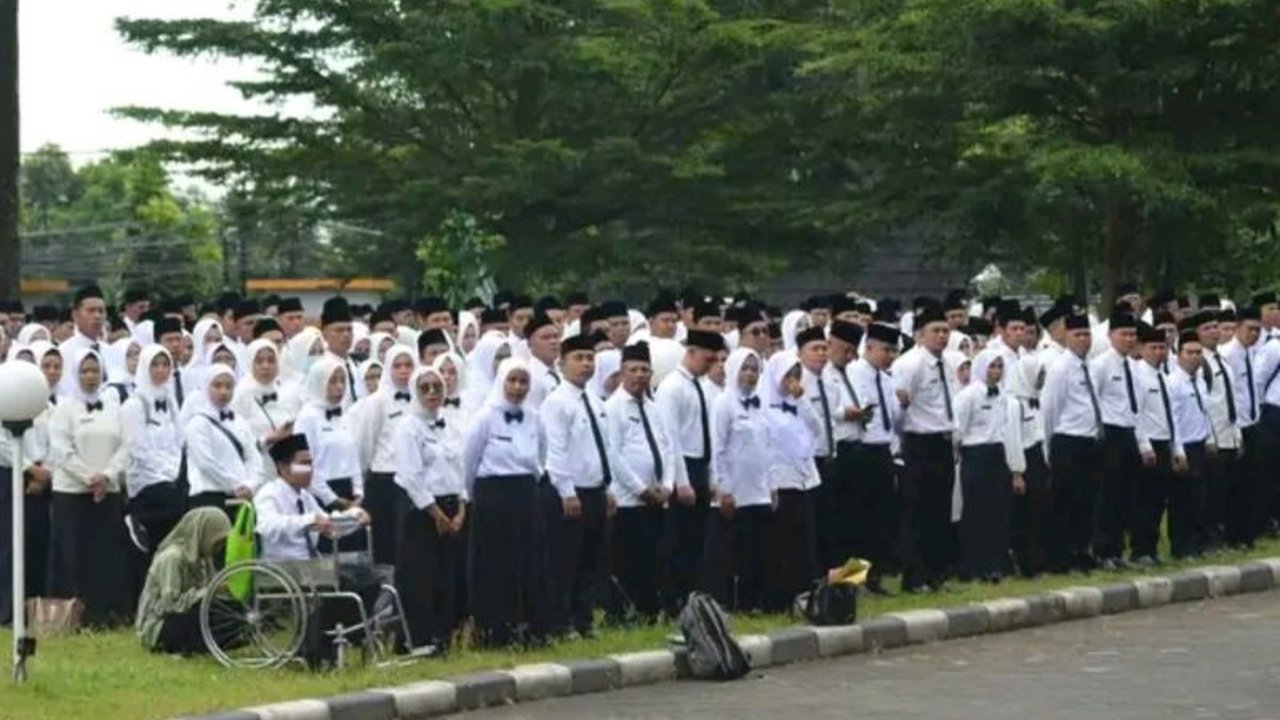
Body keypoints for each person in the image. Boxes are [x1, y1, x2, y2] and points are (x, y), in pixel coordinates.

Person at [463, 358, 548, 648]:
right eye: (512, 380)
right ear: (501, 381)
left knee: (529, 561)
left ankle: (529, 627)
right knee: (496, 565)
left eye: (523, 382)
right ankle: (494, 630)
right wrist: (476, 498)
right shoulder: (485, 417)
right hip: (492, 496)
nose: (517, 387)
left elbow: (542, 454)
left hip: (525, 492)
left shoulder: (535, 417)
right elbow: (468, 462)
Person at [47, 349, 134, 627]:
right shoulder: (63, 409)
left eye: (95, 370)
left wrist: (106, 476)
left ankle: (104, 612)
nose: (90, 376)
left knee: (105, 553)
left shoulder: (113, 406)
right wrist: (88, 478)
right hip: (72, 493)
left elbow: (125, 446)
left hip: (107, 493)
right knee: (74, 554)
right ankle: (73, 615)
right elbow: (61, 449)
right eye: (84, 370)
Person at [541, 332, 614, 638]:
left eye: (589, 358)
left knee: (589, 560)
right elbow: (555, 449)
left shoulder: (596, 401)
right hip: (569, 492)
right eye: (578, 358)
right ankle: (561, 621)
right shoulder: (557, 402)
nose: (585, 364)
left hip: (595, 489)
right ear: (561, 363)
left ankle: (583, 619)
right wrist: (566, 491)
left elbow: (604, 447)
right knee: (564, 561)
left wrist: (608, 488)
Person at [394, 366, 467, 652]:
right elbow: (411, 476)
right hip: (421, 510)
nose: (432, 393)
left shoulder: (450, 425)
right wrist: (435, 513)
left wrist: (461, 508)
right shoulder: (408, 427)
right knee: (420, 576)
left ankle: (443, 634)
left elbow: (459, 468)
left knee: (447, 575)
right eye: (424, 388)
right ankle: (418, 638)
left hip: (451, 506)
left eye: (437, 387)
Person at [653, 330, 721, 613]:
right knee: (680, 538)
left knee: (697, 539)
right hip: (684, 467)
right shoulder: (673, 387)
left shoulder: (700, 386)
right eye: (707, 358)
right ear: (691, 352)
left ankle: (693, 597)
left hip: (701, 464)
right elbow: (671, 438)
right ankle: (674, 600)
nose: (710, 364)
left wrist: (712, 477)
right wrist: (682, 481)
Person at [892, 305, 957, 592]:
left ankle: (936, 573)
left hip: (943, 440)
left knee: (940, 512)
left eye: (945, 331)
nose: (942, 336)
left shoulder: (947, 363)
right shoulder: (911, 363)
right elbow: (898, 409)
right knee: (918, 513)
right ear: (920, 335)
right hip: (920, 442)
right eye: (936, 331)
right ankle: (915, 576)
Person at [702, 347, 771, 611]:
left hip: (759, 489)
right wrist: (723, 489)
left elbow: (767, 447)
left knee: (756, 548)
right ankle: (729, 602)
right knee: (731, 549)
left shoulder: (759, 403)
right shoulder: (723, 403)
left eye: (754, 369)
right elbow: (718, 449)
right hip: (734, 490)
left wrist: (771, 485)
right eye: (745, 368)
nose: (750, 374)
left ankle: (752, 601)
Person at [1040, 313, 1105, 572]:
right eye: (1078, 335)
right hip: (1067, 442)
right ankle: (1062, 557)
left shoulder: (1088, 365)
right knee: (1066, 503)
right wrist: (1048, 447)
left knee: (1087, 502)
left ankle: (1082, 550)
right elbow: (1050, 410)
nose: (1083, 340)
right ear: (1066, 336)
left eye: (1087, 334)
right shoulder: (1060, 368)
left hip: (1090, 441)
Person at [953, 350, 1023, 582]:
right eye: (992, 366)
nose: (996, 371)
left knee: (998, 512)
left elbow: (1008, 431)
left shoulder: (1005, 397)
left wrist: (1015, 468)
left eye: (1000, 366)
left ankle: (994, 564)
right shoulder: (968, 395)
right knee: (975, 511)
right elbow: (958, 430)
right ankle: (972, 566)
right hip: (975, 454)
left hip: (997, 454)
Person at [759, 350, 822, 611]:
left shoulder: (796, 405)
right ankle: (779, 598)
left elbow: (817, 429)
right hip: (778, 481)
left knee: (801, 541)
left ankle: (803, 593)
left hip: (801, 479)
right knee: (781, 542)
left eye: (797, 375)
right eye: (788, 376)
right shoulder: (762, 407)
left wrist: (802, 399)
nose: (792, 381)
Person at [254, 434, 370, 562]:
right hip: (283, 567)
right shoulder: (268, 494)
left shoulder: (305, 497)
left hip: (312, 565)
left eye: (310, 464)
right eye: (303, 464)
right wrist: (308, 520)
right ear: (283, 467)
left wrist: (355, 518)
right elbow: (267, 526)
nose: (309, 470)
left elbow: (329, 524)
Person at [135, 508, 232, 654]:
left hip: (181, 614)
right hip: (158, 626)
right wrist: (209, 591)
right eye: (217, 542)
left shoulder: (201, 558)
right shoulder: (172, 558)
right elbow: (170, 604)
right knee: (215, 623)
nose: (219, 548)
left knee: (233, 614)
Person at [121, 345, 185, 561]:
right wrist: (167, 472)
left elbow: (179, 441)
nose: (161, 370)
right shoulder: (134, 404)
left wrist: (176, 470)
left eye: (166, 364)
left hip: (171, 474)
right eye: (155, 365)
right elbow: (137, 449)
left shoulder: (170, 401)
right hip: (146, 478)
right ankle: (137, 520)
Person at [1088, 311, 1141, 569]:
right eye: (1124, 334)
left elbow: (1137, 406)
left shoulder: (1133, 366)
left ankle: (1118, 550)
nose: (1129, 339)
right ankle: (1102, 551)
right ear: (1110, 336)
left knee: (1125, 495)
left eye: (1132, 335)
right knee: (1107, 495)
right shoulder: (1100, 365)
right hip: (1110, 434)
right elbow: (1094, 402)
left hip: (1129, 432)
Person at [354, 344, 416, 564]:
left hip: (413, 479)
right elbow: (364, 443)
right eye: (398, 365)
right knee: (387, 545)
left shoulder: (420, 398)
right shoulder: (377, 401)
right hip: (385, 479)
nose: (404, 370)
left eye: (409, 365)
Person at [185, 363, 260, 516]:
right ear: (206, 387)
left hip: (241, 497)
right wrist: (235, 485)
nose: (223, 391)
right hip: (209, 496)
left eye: (229, 386)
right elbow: (206, 463)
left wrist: (250, 484)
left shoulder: (240, 421)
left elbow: (253, 456)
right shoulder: (197, 423)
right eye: (217, 386)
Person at [294, 357, 364, 513]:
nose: (339, 387)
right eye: (332, 381)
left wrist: (358, 492)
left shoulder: (345, 416)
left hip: (349, 492)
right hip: (319, 494)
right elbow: (303, 464)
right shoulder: (307, 417)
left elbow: (353, 457)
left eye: (342, 381)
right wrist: (331, 498)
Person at [1168, 331, 1215, 558]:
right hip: (1184, 446)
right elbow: (1173, 419)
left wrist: (1209, 437)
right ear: (1179, 355)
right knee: (1182, 500)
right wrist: (1177, 450)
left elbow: (1204, 411)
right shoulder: (1173, 382)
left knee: (1199, 499)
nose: (1195, 357)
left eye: (1198, 352)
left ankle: (1197, 543)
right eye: (1190, 352)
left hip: (1199, 443)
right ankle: (1180, 546)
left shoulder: (1200, 380)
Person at [1220, 306, 1263, 546]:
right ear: (1237, 328)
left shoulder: (1251, 353)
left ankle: (1248, 532)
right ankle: (1233, 534)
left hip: (1252, 422)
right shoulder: (1228, 354)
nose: (1254, 334)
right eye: (1250, 329)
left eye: (1257, 330)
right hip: (1236, 426)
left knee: (1252, 482)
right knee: (1236, 484)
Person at [1006, 353, 1051, 577]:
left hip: (1037, 456)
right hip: (1024, 460)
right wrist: (1017, 471)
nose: (1042, 378)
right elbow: (1013, 438)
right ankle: (1024, 561)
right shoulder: (1014, 404)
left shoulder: (1035, 399)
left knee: (1039, 513)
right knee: (1025, 516)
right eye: (1039, 374)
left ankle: (1038, 559)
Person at [231, 339, 296, 488]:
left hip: (284, 470)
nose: (266, 366)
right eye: (259, 361)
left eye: (271, 361)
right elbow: (236, 440)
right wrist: (268, 439)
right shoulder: (241, 395)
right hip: (257, 472)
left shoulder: (283, 393)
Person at [57, 284, 109, 398]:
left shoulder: (110, 350)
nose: (97, 316)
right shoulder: (63, 353)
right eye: (91, 310)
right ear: (75, 315)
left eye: (101, 311)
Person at [320, 297, 362, 407]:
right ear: (324, 333)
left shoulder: (358, 364)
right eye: (339, 330)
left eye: (349, 330)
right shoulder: (321, 367)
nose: (346, 335)